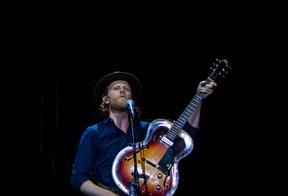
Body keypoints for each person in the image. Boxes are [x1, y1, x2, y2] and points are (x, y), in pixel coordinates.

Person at [70, 71, 217, 196]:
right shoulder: (94, 133)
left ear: (131, 99)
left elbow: (186, 134)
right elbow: (78, 179)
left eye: (126, 89)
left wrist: (199, 98)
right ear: (105, 99)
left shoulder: (150, 130)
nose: (122, 91)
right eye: (116, 88)